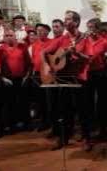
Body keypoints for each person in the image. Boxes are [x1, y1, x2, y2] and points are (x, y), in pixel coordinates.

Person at [42, 10, 92, 151]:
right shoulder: (61, 39)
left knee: (83, 111)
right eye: (65, 18)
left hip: (80, 78)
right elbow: (45, 52)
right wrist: (50, 65)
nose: (65, 21)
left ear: (76, 22)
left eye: (68, 19)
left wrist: (77, 53)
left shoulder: (85, 38)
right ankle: (64, 138)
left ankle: (87, 139)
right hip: (64, 78)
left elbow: (89, 58)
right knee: (65, 110)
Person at [0, 29, 31, 134]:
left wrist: (27, 76)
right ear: (3, 38)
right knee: (9, 104)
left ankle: (26, 124)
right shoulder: (0, 50)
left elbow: (29, 63)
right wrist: (2, 78)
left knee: (24, 103)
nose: (9, 37)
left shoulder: (23, 47)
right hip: (7, 80)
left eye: (11, 35)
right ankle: (12, 126)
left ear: (15, 36)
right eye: (6, 35)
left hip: (22, 79)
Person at [86, 18, 107, 140]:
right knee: (89, 102)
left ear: (98, 28)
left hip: (101, 73)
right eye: (89, 27)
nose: (90, 30)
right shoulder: (85, 41)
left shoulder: (105, 42)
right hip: (88, 73)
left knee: (102, 102)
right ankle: (91, 129)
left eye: (92, 27)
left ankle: (104, 129)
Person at [31, 23, 53, 131]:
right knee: (40, 100)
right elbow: (34, 59)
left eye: (41, 30)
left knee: (49, 100)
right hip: (37, 73)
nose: (39, 32)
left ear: (47, 32)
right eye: (37, 31)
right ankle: (43, 122)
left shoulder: (52, 42)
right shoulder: (35, 44)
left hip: (47, 74)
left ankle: (51, 122)